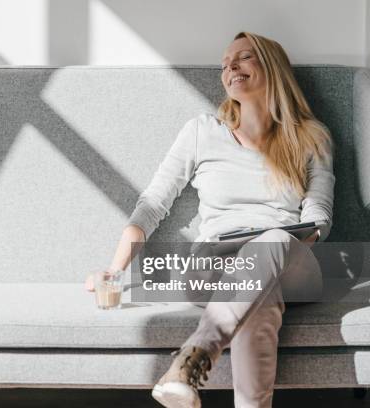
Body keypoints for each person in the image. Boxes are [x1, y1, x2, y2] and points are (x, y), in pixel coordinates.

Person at [85, 31, 335, 408]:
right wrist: (115, 268)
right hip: (213, 264)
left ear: (273, 67)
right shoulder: (202, 131)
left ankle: (193, 357)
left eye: (244, 57)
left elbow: (319, 215)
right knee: (258, 302)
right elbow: (153, 203)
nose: (230, 66)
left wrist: (278, 247)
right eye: (224, 64)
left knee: (270, 244)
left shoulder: (312, 138)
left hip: (290, 261)